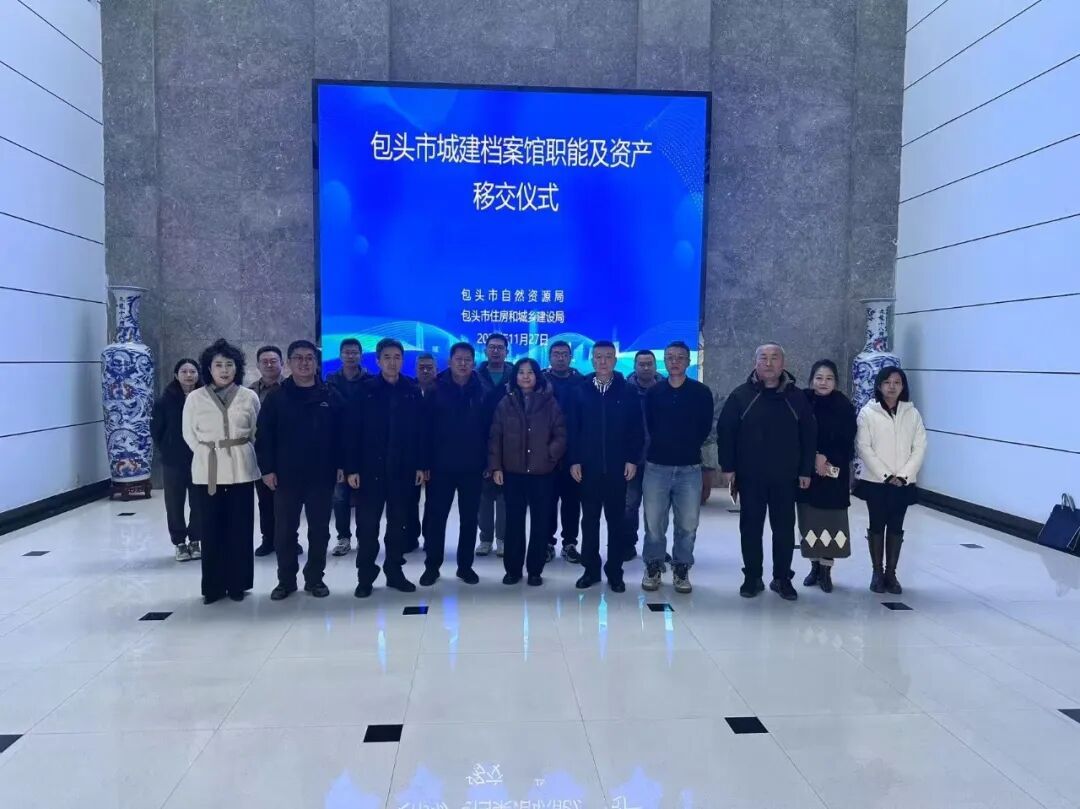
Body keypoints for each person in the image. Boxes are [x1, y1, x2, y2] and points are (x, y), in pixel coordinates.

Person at [718, 344, 816, 601]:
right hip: (750, 477)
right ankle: (752, 577)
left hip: (786, 477)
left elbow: (809, 435)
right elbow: (726, 432)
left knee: (784, 530)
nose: (769, 363)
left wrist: (805, 470)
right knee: (750, 529)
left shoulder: (797, 398)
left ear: (783, 364)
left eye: (775, 358)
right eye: (764, 358)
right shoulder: (741, 396)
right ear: (755, 363)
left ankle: (782, 578)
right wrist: (728, 467)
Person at [256, 341, 345, 600]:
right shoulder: (277, 397)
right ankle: (285, 581)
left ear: (316, 363)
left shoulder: (330, 395)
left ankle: (315, 579)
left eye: (309, 358)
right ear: (289, 363)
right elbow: (264, 436)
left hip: (322, 474)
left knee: (319, 530)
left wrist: (342, 464)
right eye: (298, 358)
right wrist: (267, 470)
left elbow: (343, 434)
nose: (304, 363)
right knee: (285, 531)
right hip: (286, 475)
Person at [346, 338, 427, 597]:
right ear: (378, 361)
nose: (393, 362)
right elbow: (352, 431)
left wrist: (420, 465)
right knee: (367, 527)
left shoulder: (411, 389)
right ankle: (365, 576)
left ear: (403, 360)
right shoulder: (365, 389)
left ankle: (394, 572)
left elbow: (420, 432)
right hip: (370, 469)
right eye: (387, 357)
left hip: (403, 469)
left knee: (398, 525)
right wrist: (351, 468)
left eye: (397, 357)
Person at [182, 339, 261, 604]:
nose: (224, 370)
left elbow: (255, 432)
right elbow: (189, 434)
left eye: (229, 364)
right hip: (208, 471)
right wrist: (207, 452)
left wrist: (240, 451)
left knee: (240, 528)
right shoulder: (195, 398)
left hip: (241, 469)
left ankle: (238, 583)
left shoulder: (249, 396)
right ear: (209, 368)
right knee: (210, 529)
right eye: (218, 365)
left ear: (238, 368)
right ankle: (213, 586)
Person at [568, 341, 644, 592]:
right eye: (599, 356)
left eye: (608, 356)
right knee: (589, 520)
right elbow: (572, 429)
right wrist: (574, 459)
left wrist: (632, 459)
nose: (603, 361)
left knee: (616, 521)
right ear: (592, 360)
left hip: (617, 467)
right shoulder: (579, 391)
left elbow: (636, 429)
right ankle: (590, 570)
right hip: (588, 467)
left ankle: (615, 571)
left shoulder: (628, 391)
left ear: (615, 360)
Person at [640, 341, 714, 594]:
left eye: (680, 357)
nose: (675, 361)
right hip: (656, 466)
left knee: (688, 524)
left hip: (689, 468)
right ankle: (653, 565)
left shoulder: (701, 392)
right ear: (664, 360)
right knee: (654, 523)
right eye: (670, 357)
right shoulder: (654, 392)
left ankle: (682, 568)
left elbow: (705, 426)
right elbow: (649, 424)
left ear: (688, 361)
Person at [489, 358, 567, 586]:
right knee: (514, 522)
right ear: (515, 376)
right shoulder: (505, 403)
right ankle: (513, 570)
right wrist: (496, 466)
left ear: (537, 376)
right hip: (513, 472)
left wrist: (550, 455)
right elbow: (495, 437)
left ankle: (535, 570)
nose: (525, 376)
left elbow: (561, 434)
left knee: (540, 523)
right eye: (521, 372)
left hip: (543, 473)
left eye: (530, 372)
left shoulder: (550, 402)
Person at [419, 342, 487, 586]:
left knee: (469, 519)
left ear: (473, 362)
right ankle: (432, 567)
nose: (463, 364)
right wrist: (424, 463)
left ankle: (465, 566)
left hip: (472, 466)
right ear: (450, 361)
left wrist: (488, 462)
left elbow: (489, 429)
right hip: (440, 466)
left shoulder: (482, 388)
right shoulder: (435, 387)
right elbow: (424, 429)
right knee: (436, 518)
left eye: (468, 360)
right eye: (459, 359)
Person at [855, 367, 927, 595]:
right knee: (877, 524)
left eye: (897, 382)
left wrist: (904, 475)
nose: (892, 386)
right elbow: (863, 447)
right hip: (876, 482)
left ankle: (891, 574)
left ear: (903, 386)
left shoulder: (912, 414)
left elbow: (919, 447)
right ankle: (877, 573)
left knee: (896, 526)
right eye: (887, 382)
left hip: (903, 483)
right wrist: (885, 475)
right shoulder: (868, 413)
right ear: (879, 385)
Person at [798, 360, 857, 593]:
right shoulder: (803, 401)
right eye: (819, 378)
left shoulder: (844, 406)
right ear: (811, 379)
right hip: (807, 472)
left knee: (831, 524)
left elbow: (848, 441)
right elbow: (796, 434)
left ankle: (826, 570)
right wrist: (814, 457)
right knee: (810, 522)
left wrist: (827, 458)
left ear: (836, 382)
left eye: (829, 378)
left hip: (834, 473)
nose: (823, 383)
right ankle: (814, 567)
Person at [249, 345, 299, 558]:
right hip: (262, 454)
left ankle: (290, 540)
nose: (269, 365)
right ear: (258, 365)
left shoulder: (292, 388)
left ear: (282, 363)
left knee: (289, 503)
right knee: (265, 501)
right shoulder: (249, 392)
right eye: (265, 361)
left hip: (288, 455)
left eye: (273, 361)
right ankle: (268, 539)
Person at [151, 358, 202, 562]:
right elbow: (156, 430)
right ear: (176, 375)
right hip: (173, 460)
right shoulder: (165, 400)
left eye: (192, 371)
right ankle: (179, 542)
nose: (189, 375)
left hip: (200, 458)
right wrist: (167, 448)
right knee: (174, 502)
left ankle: (196, 539)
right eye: (184, 371)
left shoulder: (205, 398)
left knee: (199, 501)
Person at [543, 340, 583, 564]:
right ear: (550, 357)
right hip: (545, 452)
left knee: (571, 501)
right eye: (556, 354)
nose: (560, 357)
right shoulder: (540, 380)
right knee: (547, 500)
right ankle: (547, 543)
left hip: (573, 453)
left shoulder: (581, 382)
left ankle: (569, 544)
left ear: (570, 357)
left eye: (564, 354)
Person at [326, 338, 367, 557]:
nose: (351, 356)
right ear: (340, 355)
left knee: (364, 497)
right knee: (340, 496)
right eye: (347, 352)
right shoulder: (330, 382)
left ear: (361, 355)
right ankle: (343, 538)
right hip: (338, 447)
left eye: (354, 352)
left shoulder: (370, 382)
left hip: (365, 448)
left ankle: (364, 537)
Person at [622, 349, 662, 561]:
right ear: (635, 366)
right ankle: (627, 545)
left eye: (649, 364)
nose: (646, 368)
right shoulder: (624, 391)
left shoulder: (666, 389)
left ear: (655, 366)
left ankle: (655, 548)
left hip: (660, 459)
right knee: (629, 505)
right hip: (632, 459)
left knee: (656, 508)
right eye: (641, 364)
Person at [476, 333, 510, 557]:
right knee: (484, 494)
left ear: (507, 351)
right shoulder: (475, 376)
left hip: (510, 442)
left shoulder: (516, 375)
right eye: (492, 347)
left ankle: (503, 538)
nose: (496, 351)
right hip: (481, 441)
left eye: (500, 347)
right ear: (486, 350)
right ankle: (486, 538)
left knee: (505, 494)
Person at [405, 352, 439, 555]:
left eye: (429, 367)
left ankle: (430, 538)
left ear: (436, 369)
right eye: (421, 367)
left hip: (436, 456)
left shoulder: (442, 390)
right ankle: (410, 537)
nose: (425, 371)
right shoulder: (407, 390)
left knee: (433, 502)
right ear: (415, 369)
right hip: (410, 454)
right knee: (410, 500)